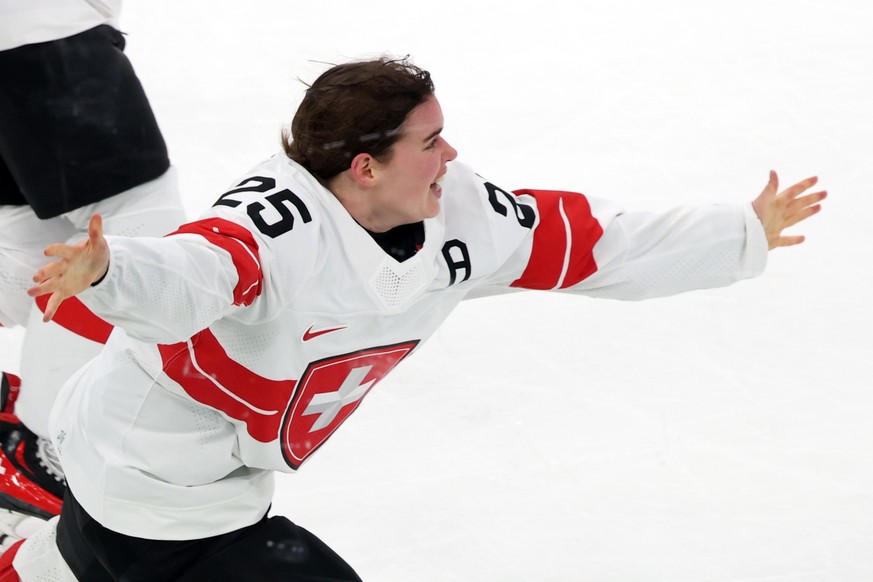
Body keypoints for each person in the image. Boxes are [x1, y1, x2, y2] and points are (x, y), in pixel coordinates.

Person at [1, 56, 824, 580]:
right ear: (365, 167)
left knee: (76, 562)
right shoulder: (273, 230)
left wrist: (738, 229)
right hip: (156, 479)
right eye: (431, 141)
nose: (452, 156)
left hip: (202, 477)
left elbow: (586, 241)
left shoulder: (456, 216)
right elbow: (193, 269)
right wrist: (110, 270)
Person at [0, 0, 187, 547]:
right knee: (130, 242)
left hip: (31, 36)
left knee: (33, 255)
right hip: (44, 33)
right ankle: (43, 457)